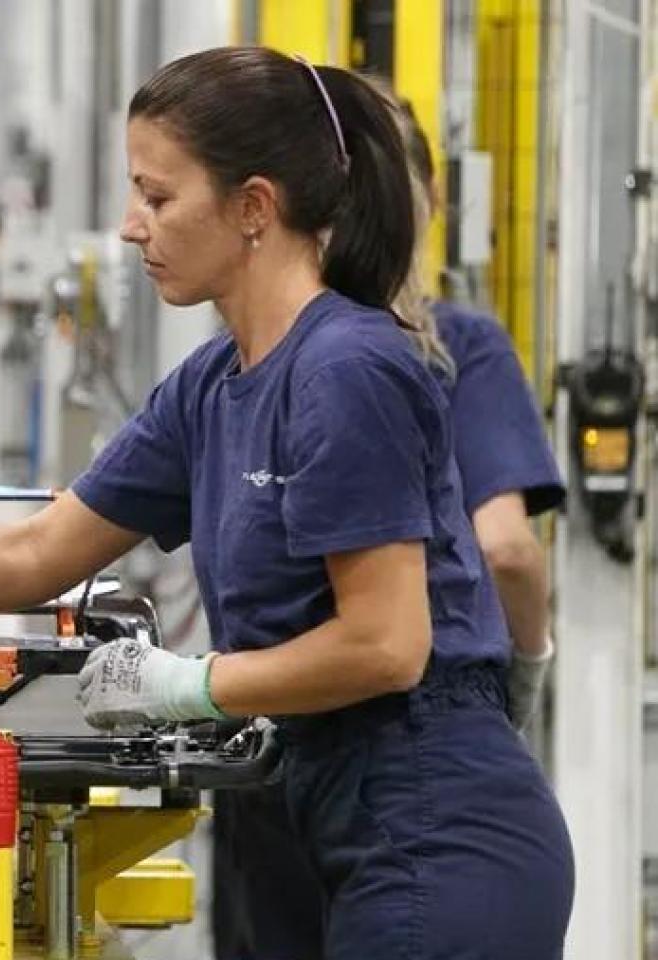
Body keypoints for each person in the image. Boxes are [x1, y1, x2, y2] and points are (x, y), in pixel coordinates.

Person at [0, 47, 573, 959]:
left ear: (254, 208)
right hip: (334, 817)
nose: (128, 226)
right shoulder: (214, 382)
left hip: (437, 827)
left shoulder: (348, 370)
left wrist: (185, 686)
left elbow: (387, 646)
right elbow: (40, 550)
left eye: (157, 196)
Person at [209, 96, 567, 960]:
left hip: (283, 768)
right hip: (370, 766)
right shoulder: (447, 347)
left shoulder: (274, 364)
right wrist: (522, 672)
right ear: (429, 207)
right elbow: (506, 546)